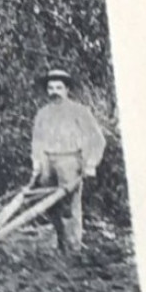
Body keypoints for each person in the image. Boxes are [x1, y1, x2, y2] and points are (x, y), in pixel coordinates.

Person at [30, 68, 107, 253]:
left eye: (58, 87)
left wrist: (90, 164)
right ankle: (60, 242)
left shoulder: (79, 111)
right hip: (48, 162)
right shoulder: (42, 113)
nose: (54, 91)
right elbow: (37, 140)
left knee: (72, 205)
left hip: (70, 160)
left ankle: (74, 247)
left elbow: (97, 138)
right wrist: (36, 162)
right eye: (50, 88)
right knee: (50, 204)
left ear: (67, 90)